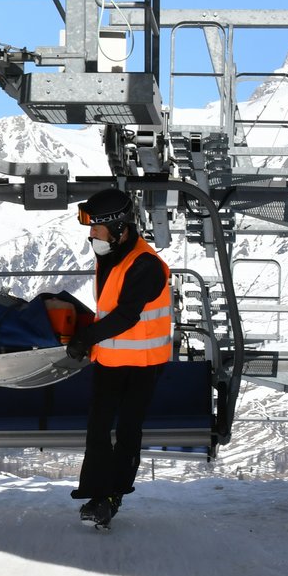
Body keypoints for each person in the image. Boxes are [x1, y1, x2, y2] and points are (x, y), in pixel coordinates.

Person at [64, 187, 173, 529]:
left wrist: (86, 338)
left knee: (127, 430)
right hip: (111, 360)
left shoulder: (147, 266)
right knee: (97, 428)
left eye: (96, 226)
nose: (91, 233)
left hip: (143, 365)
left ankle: (113, 496)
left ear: (120, 228)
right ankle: (96, 493)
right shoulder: (110, 254)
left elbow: (126, 315)